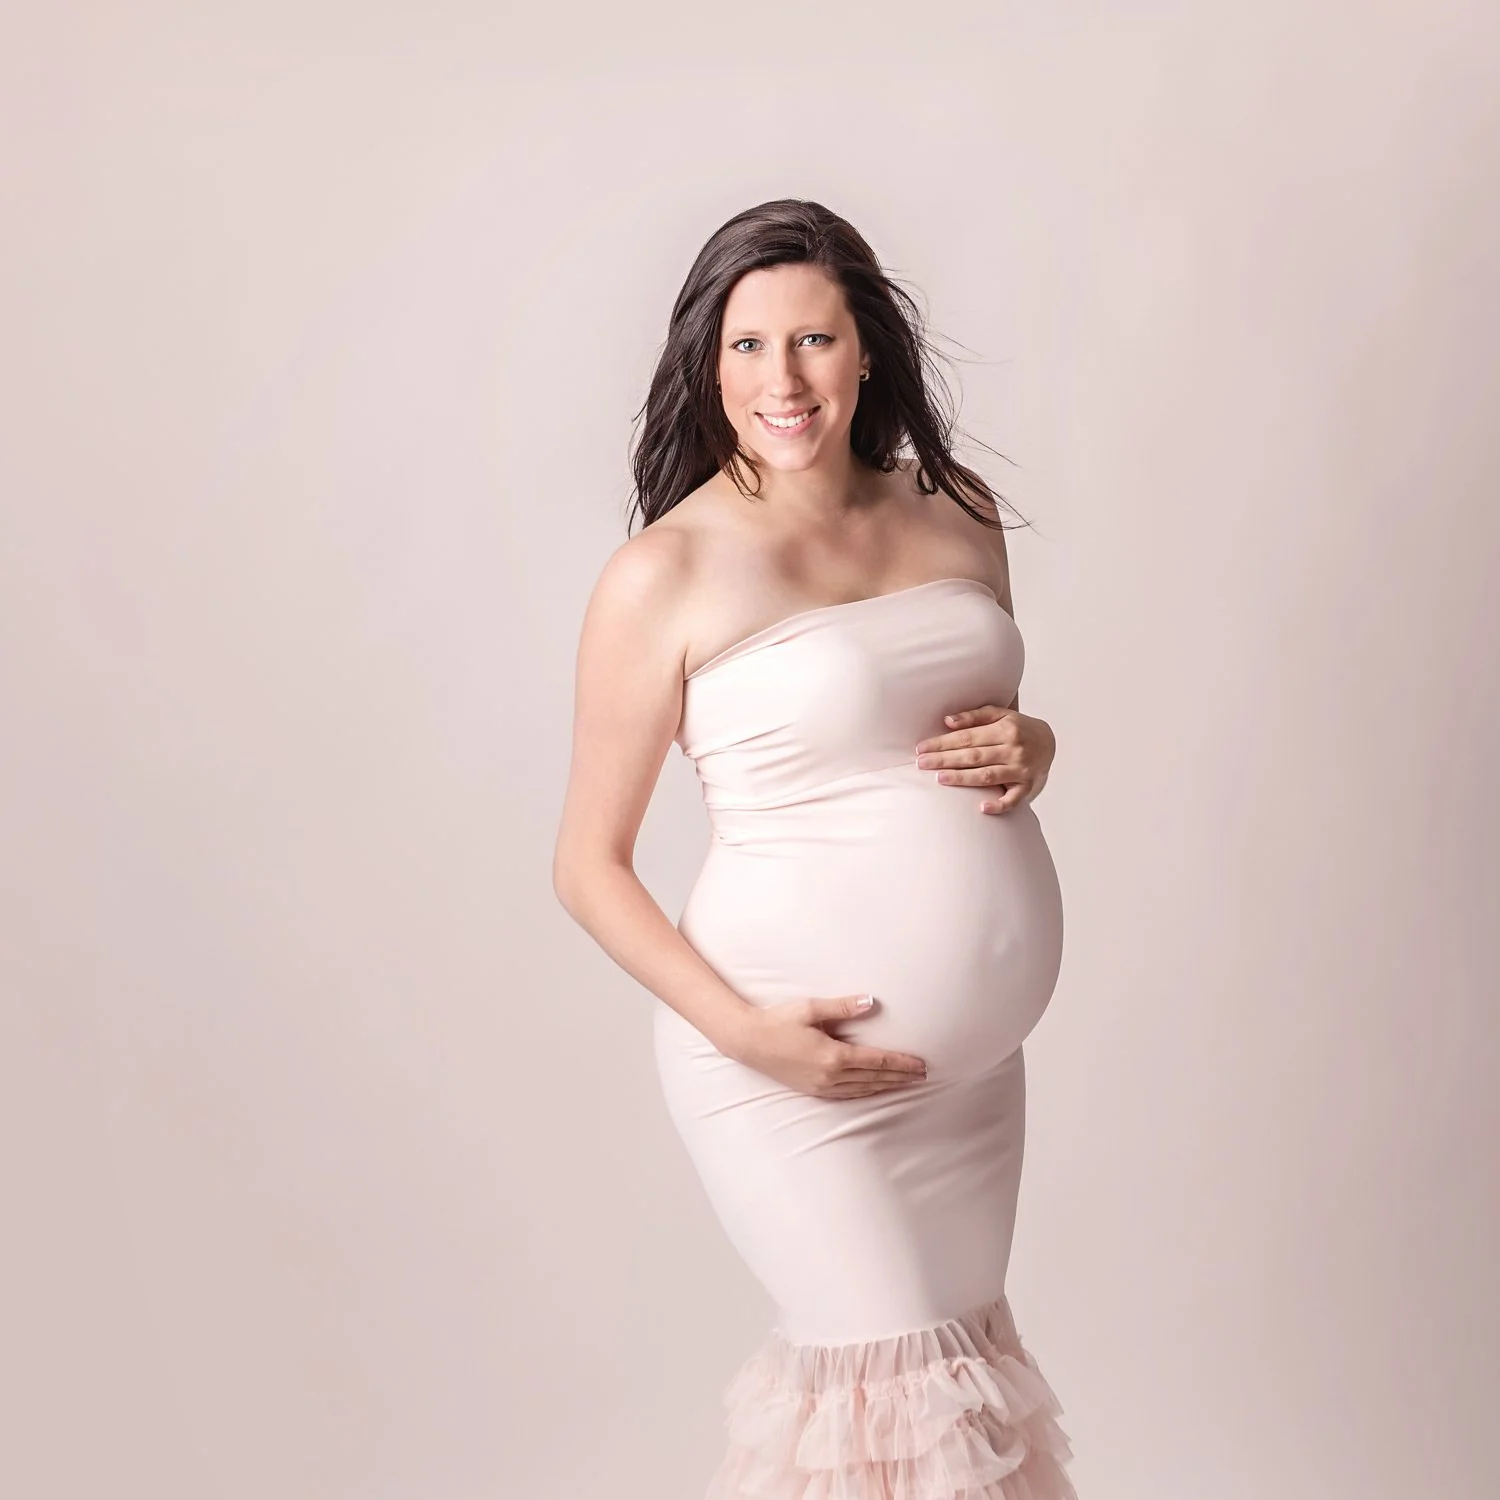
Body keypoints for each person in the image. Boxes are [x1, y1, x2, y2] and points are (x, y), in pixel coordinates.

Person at [553, 198, 1077, 1499]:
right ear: (706, 362)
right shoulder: (664, 573)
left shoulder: (957, 510)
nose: (781, 382)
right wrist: (744, 1034)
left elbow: (974, 733)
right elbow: (587, 864)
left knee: (956, 1413)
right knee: (887, 1404)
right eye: (747, 346)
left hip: (973, 1080)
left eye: (813, 340)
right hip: (791, 1070)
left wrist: (1036, 743)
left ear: (866, 348)